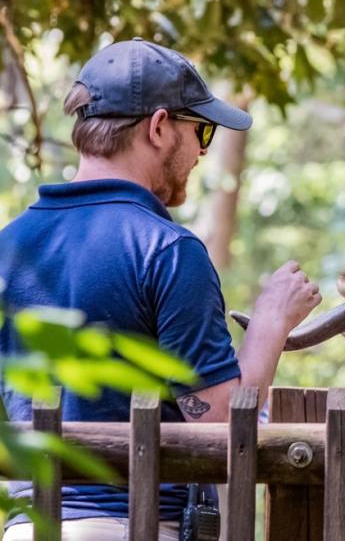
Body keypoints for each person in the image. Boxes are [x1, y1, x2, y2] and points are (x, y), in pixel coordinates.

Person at [0, 39, 322, 540]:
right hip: (134, 526)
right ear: (157, 127)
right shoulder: (166, 249)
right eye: (201, 131)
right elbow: (221, 434)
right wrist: (270, 325)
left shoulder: (8, 246)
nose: (202, 152)